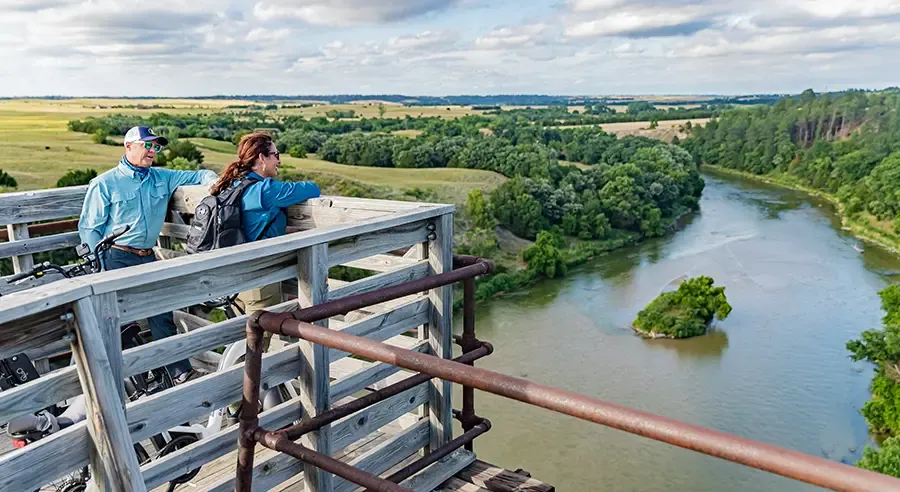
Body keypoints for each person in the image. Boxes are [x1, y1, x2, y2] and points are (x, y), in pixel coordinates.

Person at [78, 126, 218, 384]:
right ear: (128, 146)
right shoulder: (104, 183)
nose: (153, 151)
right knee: (116, 320)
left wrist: (211, 182)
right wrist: (99, 268)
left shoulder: (162, 177)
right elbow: (89, 228)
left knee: (162, 312)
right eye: (147, 145)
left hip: (147, 257)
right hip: (115, 258)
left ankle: (179, 374)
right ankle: (123, 380)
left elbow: (201, 174)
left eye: (156, 147)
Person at [208, 131, 320, 318]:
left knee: (241, 337)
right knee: (259, 340)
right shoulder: (265, 190)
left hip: (233, 274)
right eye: (276, 155)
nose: (279, 161)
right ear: (261, 158)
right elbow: (312, 189)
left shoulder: (233, 185)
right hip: (258, 277)